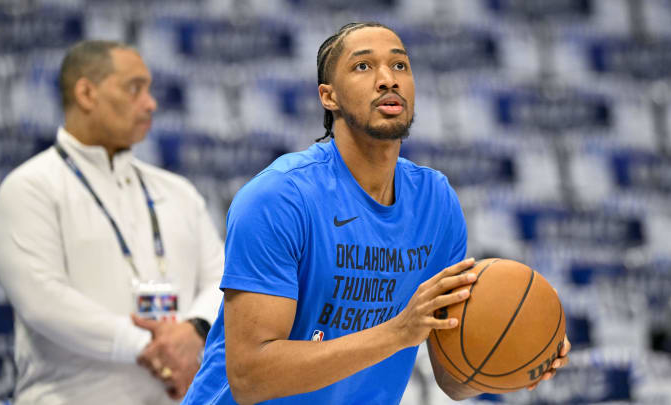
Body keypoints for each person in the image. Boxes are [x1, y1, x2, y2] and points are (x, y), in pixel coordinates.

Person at [182, 22, 570, 405]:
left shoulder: (436, 203)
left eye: (400, 65)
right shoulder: (280, 197)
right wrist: (399, 332)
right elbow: (251, 377)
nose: (388, 79)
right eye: (363, 66)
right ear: (328, 96)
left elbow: (453, 379)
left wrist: (523, 353)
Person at [0, 40, 224, 404]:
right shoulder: (29, 188)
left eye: (149, 89)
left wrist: (195, 330)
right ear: (86, 93)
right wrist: (154, 346)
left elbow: (222, 279)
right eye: (135, 88)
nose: (151, 103)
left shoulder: (178, 192)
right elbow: (44, 302)